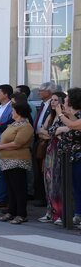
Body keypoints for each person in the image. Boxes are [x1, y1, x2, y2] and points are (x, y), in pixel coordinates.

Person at [0, 102, 34, 224]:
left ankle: (21, 214)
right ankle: (11, 211)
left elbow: (17, 143)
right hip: (6, 160)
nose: (11, 112)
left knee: (19, 188)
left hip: (18, 160)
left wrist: (0, 146)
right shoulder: (14, 124)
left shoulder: (26, 126)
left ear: (19, 112)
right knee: (11, 188)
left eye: (13, 111)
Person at [37, 91, 67, 224]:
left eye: (55, 100)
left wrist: (49, 133)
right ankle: (49, 212)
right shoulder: (51, 115)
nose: (52, 102)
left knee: (57, 183)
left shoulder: (64, 116)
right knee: (47, 182)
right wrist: (50, 133)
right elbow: (41, 132)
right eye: (52, 100)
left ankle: (59, 214)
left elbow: (53, 133)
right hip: (49, 151)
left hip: (58, 152)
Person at [54, 88, 81, 227]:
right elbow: (55, 130)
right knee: (71, 186)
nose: (64, 99)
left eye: (67, 97)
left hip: (77, 156)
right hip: (68, 156)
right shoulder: (71, 114)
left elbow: (72, 126)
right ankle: (74, 214)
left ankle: (77, 214)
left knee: (78, 186)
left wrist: (60, 115)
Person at [32, 82, 56, 207]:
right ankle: (40, 196)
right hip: (39, 140)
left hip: (47, 142)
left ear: (49, 92)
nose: (38, 92)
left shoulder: (52, 105)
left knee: (45, 171)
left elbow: (49, 128)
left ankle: (45, 199)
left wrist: (42, 132)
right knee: (38, 171)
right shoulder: (43, 104)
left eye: (41, 90)